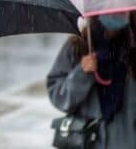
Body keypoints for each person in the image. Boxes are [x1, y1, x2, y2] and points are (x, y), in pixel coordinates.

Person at [47, 12, 136, 149]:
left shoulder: (132, 47)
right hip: (86, 141)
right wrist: (82, 73)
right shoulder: (77, 46)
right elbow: (59, 97)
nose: (114, 12)